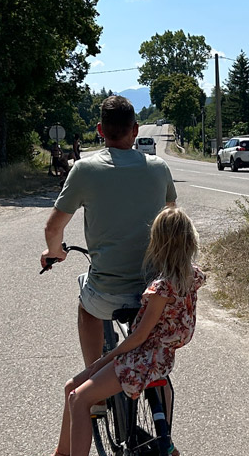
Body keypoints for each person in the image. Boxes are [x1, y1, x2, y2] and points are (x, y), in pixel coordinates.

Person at [21, 207, 204, 456]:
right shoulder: (192, 276)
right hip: (164, 358)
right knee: (75, 387)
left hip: (142, 359)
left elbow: (139, 337)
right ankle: (163, 444)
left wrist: (101, 362)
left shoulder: (159, 289)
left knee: (77, 395)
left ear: (156, 243)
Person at [40, 95, 176, 369]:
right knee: (155, 366)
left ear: (100, 130)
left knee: (86, 307)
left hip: (107, 292)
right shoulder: (159, 168)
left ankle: (93, 377)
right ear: (135, 130)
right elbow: (172, 218)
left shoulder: (85, 169)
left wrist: (55, 252)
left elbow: (53, 227)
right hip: (154, 289)